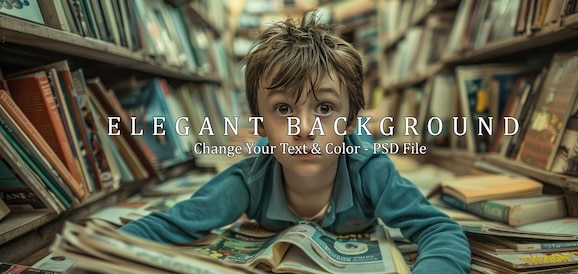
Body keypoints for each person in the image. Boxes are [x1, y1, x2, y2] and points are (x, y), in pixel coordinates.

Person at [120, 15, 471, 273]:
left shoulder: (371, 171)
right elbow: (167, 225)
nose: (304, 128)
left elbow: (438, 229)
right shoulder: (248, 180)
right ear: (259, 125)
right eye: (283, 109)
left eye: (325, 108)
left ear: (350, 122)